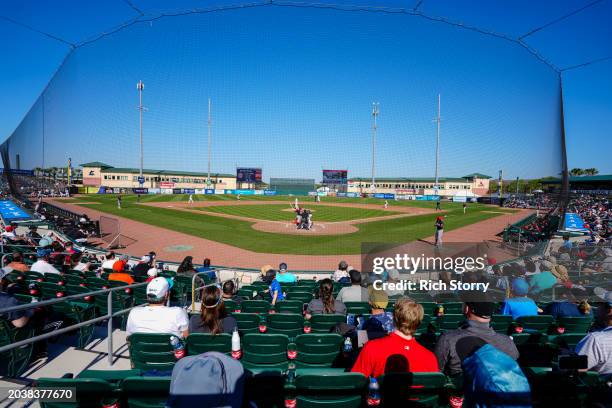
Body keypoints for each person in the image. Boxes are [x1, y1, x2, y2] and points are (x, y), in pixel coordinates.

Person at [435, 291, 519, 378]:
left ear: (467, 308)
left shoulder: (448, 338)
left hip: (461, 390)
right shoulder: (508, 342)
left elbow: (437, 371)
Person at [351, 298, 439, 377]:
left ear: (394, 318)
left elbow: (355, 382)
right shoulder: (430, 358)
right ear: (419, 323)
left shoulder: (371, 348)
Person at [575, 301, 611, 375]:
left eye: (599, 305)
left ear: (608, 311)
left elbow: (574, 370)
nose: (597, 308)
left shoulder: (595, 339)